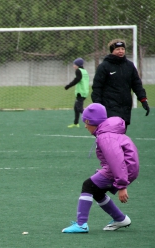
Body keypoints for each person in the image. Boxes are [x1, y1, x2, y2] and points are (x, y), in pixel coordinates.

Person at [62, 103, 138, 233]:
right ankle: (120, 218)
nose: (85, 126)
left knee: (88, 185)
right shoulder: (107, 131)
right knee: (96, 191)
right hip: (127, 168)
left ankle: (81, 224)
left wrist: (122, 185)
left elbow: (116, 160)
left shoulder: (105, 136)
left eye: (86, 122)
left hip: (123, 169)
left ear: (93, 122)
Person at [91, 39, 150, 130]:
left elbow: (137, 84)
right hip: (109, 107)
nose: (121, 51)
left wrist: (143, 100)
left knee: (120, 135)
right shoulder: (104, 66)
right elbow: (97, 87)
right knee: (111, 135)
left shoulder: (129, 66)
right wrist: (98, 105)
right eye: (117, 49)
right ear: (112, 51)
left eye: (122, 48)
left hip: (125, 108)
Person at [64, 58, 89, 128]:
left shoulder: (78, 71)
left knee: (79, 108)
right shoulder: (85, 71)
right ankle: (76, 123)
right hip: (84, 91)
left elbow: (77, 80)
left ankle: (91, 119)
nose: (73, 66)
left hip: (80, 92)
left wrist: (68, 86)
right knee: (76, 107)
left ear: (78, 65)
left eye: (74, 64)